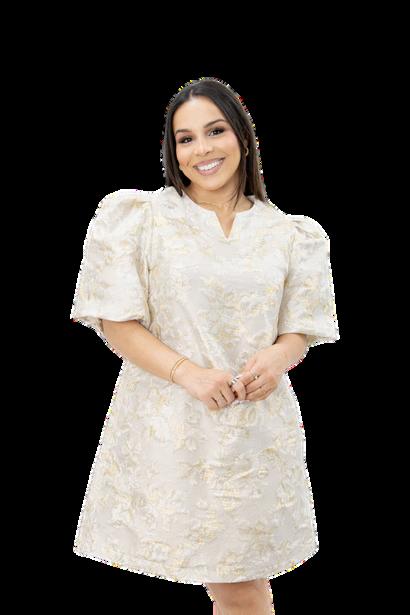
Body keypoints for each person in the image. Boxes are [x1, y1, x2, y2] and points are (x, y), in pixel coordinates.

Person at [70, 77, 340, 615]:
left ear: (242, 135)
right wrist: (188, 373)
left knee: (242, 584)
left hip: (255, 431)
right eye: (185, 138)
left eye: (215, 131)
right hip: (172, 428)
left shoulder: (292, 233)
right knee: (233, 586)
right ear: (172, 150)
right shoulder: (140, 218)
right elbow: (115, 320)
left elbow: (300, 329)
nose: (202, 149)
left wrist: (278, 357)